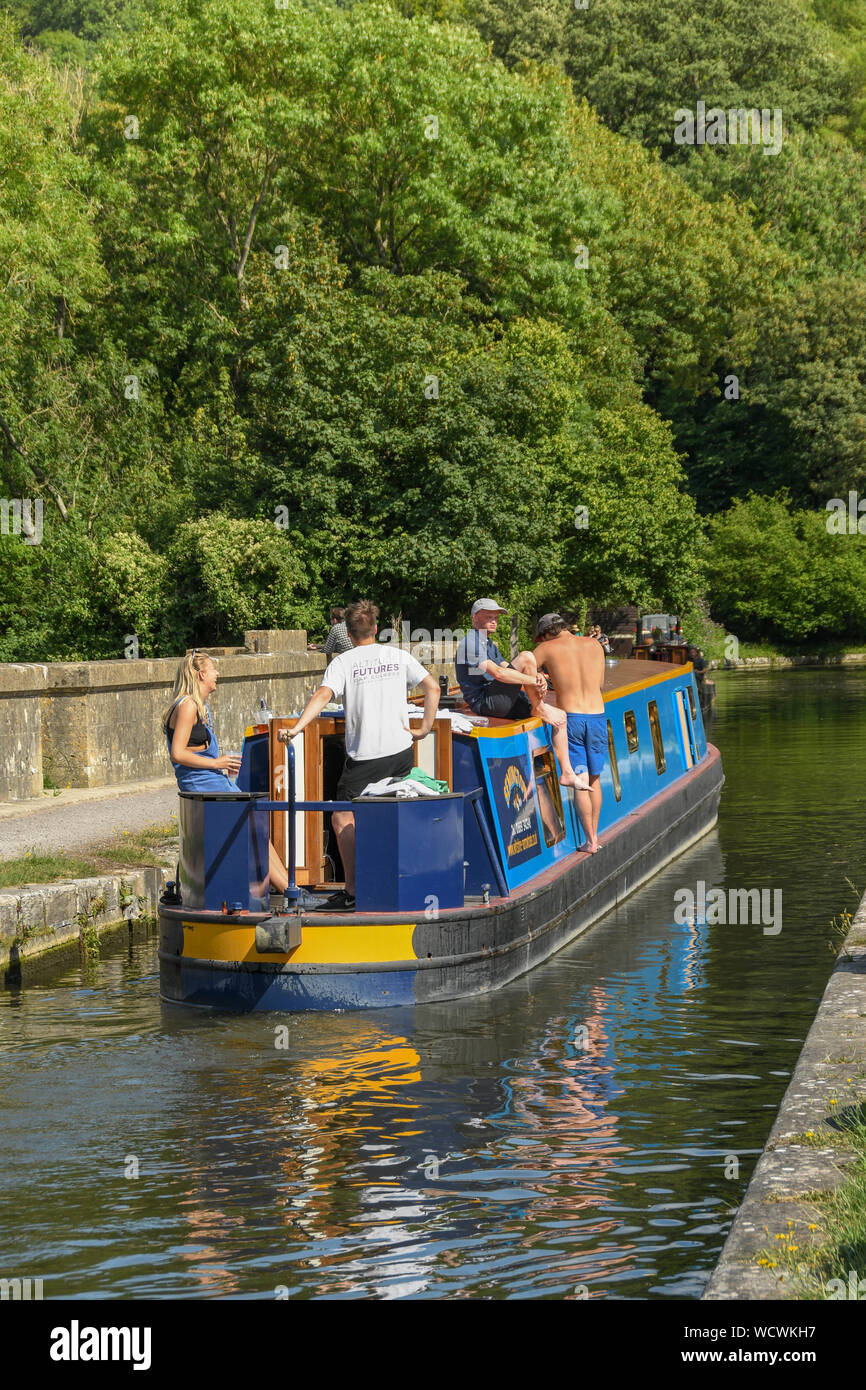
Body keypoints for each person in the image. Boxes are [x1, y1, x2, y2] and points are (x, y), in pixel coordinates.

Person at [284, 599, 440, 911]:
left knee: (342, 814)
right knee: (392, 811)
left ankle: (354, 889)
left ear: (348, 633)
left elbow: (322, 696)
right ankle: (403, 881)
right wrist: (423, 729)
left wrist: (297, 728)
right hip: (400, 752)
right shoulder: (397, 656)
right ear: (376, 630)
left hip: (366, 757)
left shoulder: (343, 662)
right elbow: (433, 688)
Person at [163, 650, 290, 893]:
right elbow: (177, 754)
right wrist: (216, 763)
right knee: (254, 828)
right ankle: (287, 890)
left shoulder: (200, 706)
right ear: (201, 674)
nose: (217, 674)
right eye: (213, 670)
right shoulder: (188, 706)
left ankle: (287, 887)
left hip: (215, 783)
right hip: (204, 787)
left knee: (258, 827)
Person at [455, 598, 579, 785]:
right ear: (475, 619)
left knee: (560, 716)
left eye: (496, 617)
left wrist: (537, 679)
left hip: (498, 697)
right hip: (485, 702)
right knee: (528, 656)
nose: (494, 620)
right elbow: (499, 673)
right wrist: (534, 680)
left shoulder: (488, 644)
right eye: (489, 616)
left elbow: (507, 666)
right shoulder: (470, 644)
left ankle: (567, 772)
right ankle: (539, 707)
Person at [534, 613, 607, 853]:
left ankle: (590, 842)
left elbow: (520, 670)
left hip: (571, 718)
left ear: (546, 633)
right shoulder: (595, 644)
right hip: (597, 715)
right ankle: (595, 836)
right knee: (595, 781)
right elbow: (600, 684)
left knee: (580, 782)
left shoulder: (545, 648)